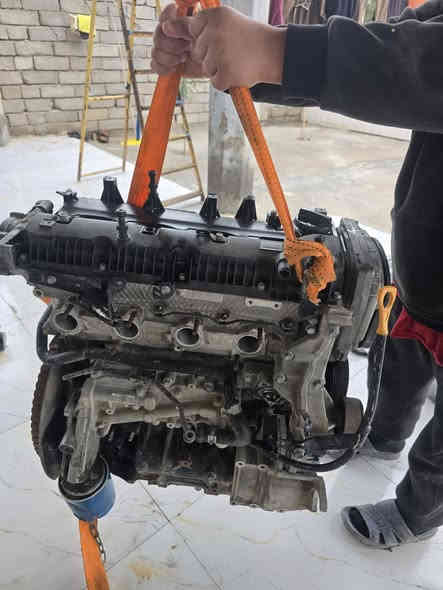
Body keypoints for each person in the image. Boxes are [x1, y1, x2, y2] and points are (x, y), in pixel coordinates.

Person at [152, 1, 443, 550]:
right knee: (404, 362)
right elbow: (398, 40)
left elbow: (426, 63)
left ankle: (420, 511)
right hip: (425, 263)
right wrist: (251, 63)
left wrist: (275, 51)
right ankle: (385, 436)